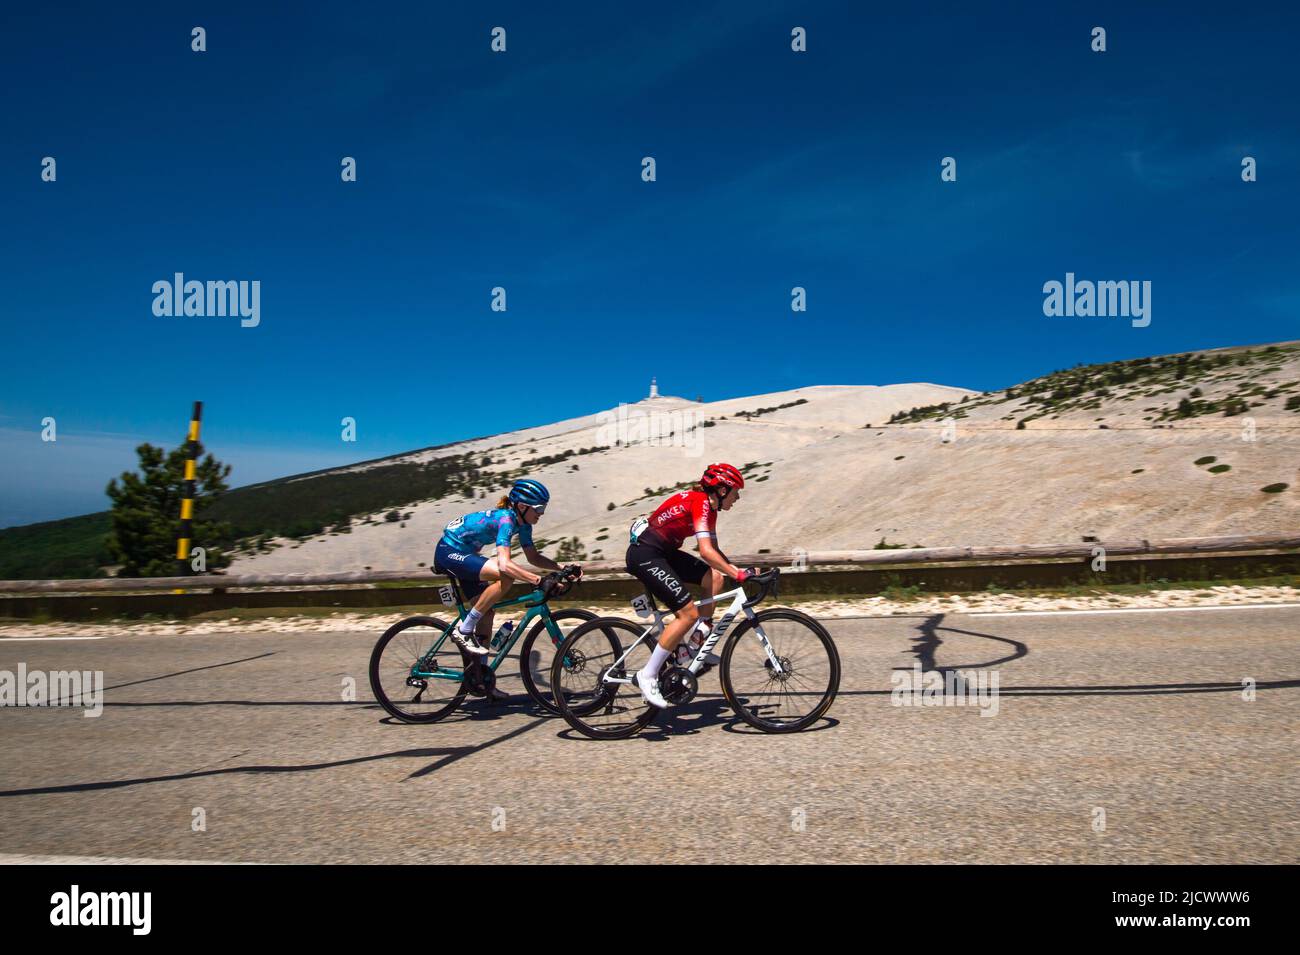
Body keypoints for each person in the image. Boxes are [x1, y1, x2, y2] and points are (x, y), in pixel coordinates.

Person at [625, 463, 753, 708]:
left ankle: (693, 644)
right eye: (736, 491)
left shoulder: (709, 509)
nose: (738, 497)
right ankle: (647, 675)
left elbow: (713, 552)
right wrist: (738, 574)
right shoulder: (701, 503)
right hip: (646, 554)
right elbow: (705, 551)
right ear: (723, 490)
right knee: (687, 614)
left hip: (663, 552)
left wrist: (739, 570)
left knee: (714, 578)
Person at [434, 479, 577, 696]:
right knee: (506, 576)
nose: (542, 513)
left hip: (466, 554)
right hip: (449, 551)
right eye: (539, 508)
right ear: (522, 506)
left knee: (487, 614)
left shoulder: (524, 525)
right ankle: (464, 631)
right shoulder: (506, 519)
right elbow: (504, 564)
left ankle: (481, 680)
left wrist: (562, 567)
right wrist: (538, 581)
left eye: (544, 508)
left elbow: (533, 557)